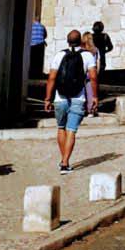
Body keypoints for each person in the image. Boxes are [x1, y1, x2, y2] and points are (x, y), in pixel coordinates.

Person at [44, 30, 90, 171]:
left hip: (60, 97)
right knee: (71, 130)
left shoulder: (59, 55)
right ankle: (65, 162)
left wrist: (47, 98)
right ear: (80, 41)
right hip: (78, 96)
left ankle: (63, 159)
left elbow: (51, 78)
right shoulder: (87, 56)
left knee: (61, 127)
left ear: (67, 41)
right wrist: (94, 97)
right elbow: (92, 78)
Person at [80, 30, 101, 116]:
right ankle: (91, 110)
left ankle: (81, 109)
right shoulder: (95, 50)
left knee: (81, 92)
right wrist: (97, 73)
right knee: (91, 92)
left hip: (82, 73)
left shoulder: (81, 50)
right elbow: (98, 62)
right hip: (91, 73)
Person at [29, 14, 47, 80]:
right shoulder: (42, 26)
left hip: (32, 45)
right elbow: (45, 35)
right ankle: (38, 74)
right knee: (39, 61)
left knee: (32, 60)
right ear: (39, 20)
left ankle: (31, 74)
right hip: (40, 46)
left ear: (34, 20)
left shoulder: (31, 26)